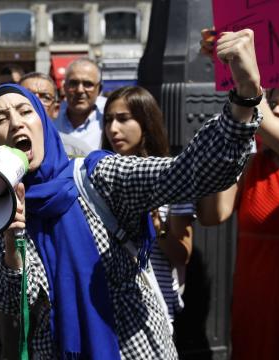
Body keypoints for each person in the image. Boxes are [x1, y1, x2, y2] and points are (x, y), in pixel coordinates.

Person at [0, 29, 261, 359]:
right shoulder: (2, 207)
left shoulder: (96, 175)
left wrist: (244, 96)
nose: (16, 123)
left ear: (45, 121)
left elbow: (187, 173)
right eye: (0, 118)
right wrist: (12, 245)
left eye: (26, 111)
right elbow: (11, 304)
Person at [195, 28, 279, 360]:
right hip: (254, 311)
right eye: (273, 101)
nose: (276, 108)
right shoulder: (254, 161)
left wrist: (246, 83)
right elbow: (212, 214)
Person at [101, 86, 195, 324]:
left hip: (154, 306)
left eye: (123, 119)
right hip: (107, 303)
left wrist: (156, 226)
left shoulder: (172, 177)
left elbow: (181, 254)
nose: (113, 129)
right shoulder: (97, 175)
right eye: (109, 120)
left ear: (146, 122)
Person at [19, 72, 91, 158]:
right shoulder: (2, 150)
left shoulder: (78, 152)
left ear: (56, 110)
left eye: (45, 97)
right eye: (27, 96)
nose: (36, 102)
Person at [53, 58, 107, 152]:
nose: (80, 90)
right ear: (64, 87)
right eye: (73, 83)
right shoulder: (52, 118)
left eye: (87, 84)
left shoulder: (108, 117)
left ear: (99, 89)